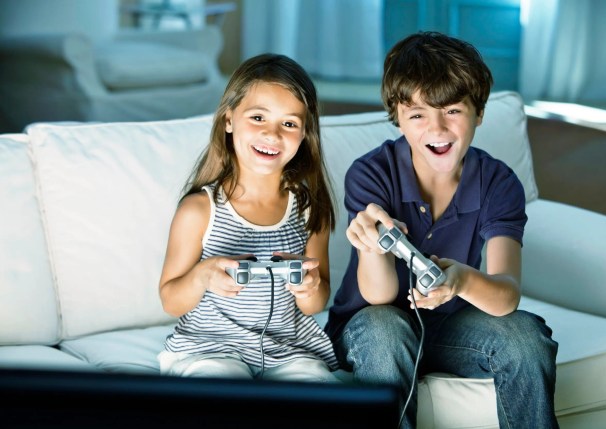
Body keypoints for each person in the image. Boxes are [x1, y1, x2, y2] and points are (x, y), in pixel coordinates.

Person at [324, 32, 559, 428]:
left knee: (525, 336)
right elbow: (378, 296)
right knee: (385, 330)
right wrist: (372, 248)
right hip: (373, 323)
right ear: (398, 117)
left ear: (479, 112)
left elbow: (505, 297)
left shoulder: (498, 182)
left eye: (452, 110)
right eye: (417, 115)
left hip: (450, 325)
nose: (437, 128)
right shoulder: (371, 173)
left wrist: (461, 281)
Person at [158, 53, 338, 383]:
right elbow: (171, 301)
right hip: (209, 348)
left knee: (321, 394)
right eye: (258, 118)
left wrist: (309, 287)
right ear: (229, 120)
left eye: (289, 124)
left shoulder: (311, 210)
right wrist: (202, 276)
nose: (272, 135)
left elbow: (316, 303)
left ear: (304, 135)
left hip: (288, 350)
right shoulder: (199, 210)